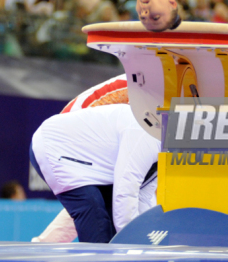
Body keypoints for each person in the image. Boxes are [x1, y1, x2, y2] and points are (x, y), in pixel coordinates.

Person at [30, 103, 159, 243]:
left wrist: (146, 238)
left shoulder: (166, 144)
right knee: (95, 215)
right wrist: (133, 241)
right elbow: (126, 190)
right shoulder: (146, 134)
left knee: (112, 229)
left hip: (96, 159)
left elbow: (144, 197)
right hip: (55, 145)